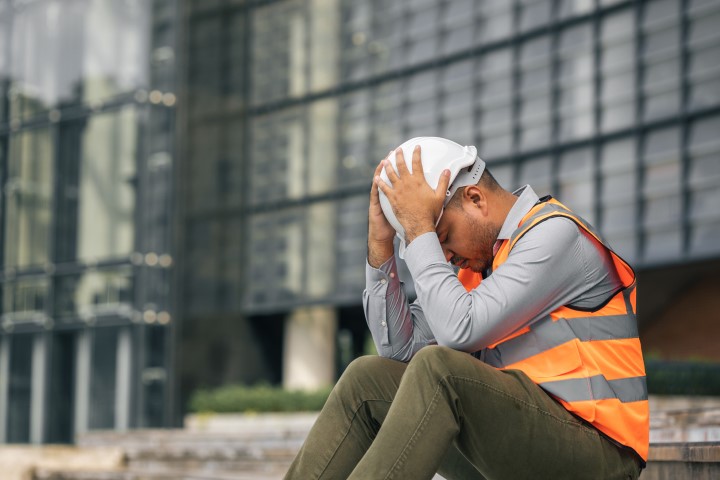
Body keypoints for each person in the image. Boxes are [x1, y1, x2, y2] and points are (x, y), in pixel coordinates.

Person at [285, 137, 648, 479]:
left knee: (440, 369)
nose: (441, 255)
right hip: (520, 445)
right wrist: (382, 245)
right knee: (366, 379)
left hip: (599, 453)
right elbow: (399, 353)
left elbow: (462, 330)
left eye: (441, 236)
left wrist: (418, 230)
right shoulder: (475, 270)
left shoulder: (555, 235)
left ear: (475, 198)